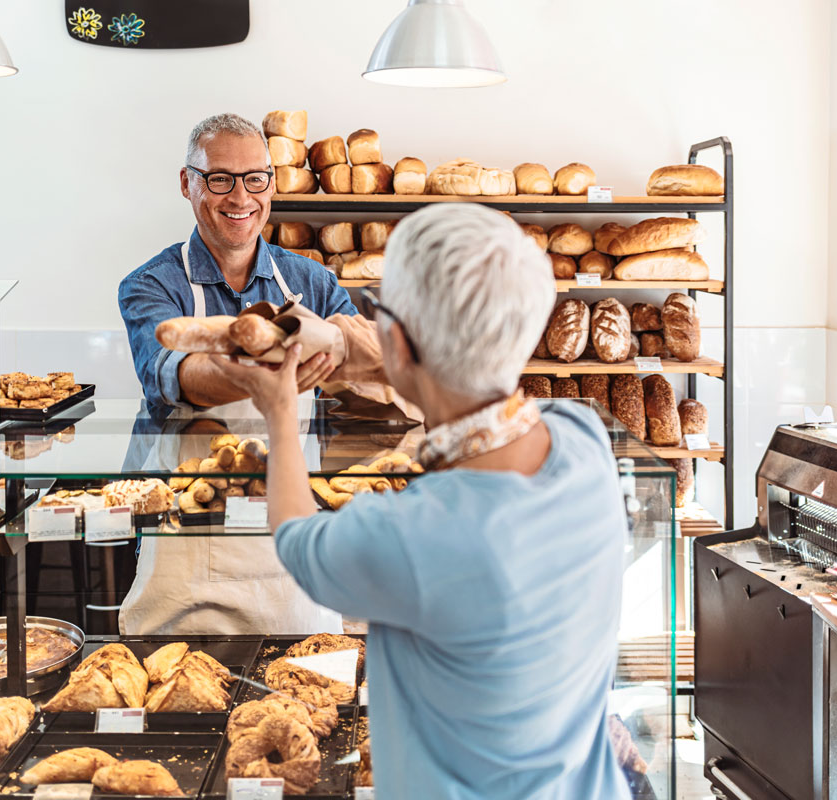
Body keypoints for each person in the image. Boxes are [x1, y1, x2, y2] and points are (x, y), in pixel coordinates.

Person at [213, 203, 631, 799]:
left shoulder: (412, 534)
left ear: (400, 343)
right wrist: (359, 344)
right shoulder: (583, 439)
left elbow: (294, 535)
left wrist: (279, 412)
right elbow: (471, 391)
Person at [115, 113, 378, 636]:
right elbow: (179, 377)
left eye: (255, 178)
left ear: (271, 184)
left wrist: (343, 348)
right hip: (187, 541)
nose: (241, 198)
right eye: (220, 179)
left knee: (300, 694)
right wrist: (278, 372)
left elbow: (366, 358)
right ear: (188, 183)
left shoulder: (311, 282)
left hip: (289, 539)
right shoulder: (150, 285)